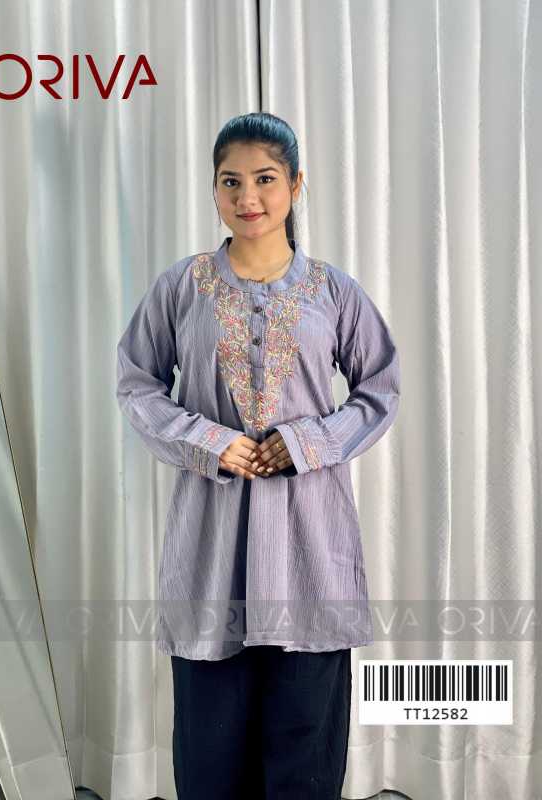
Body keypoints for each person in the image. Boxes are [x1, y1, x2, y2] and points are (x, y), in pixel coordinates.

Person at [116, 112, 400, 799]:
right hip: (211, 550)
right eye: (231, 181)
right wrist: (210, 441)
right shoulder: (182, 287)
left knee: (306, 746)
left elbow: (380, 389)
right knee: (210, 749)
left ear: (296, 185)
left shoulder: (332, 291)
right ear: (214, 188)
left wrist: (304, 443)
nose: (249, 197)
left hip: (309, 548)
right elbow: (136, 384)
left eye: (266, 179)